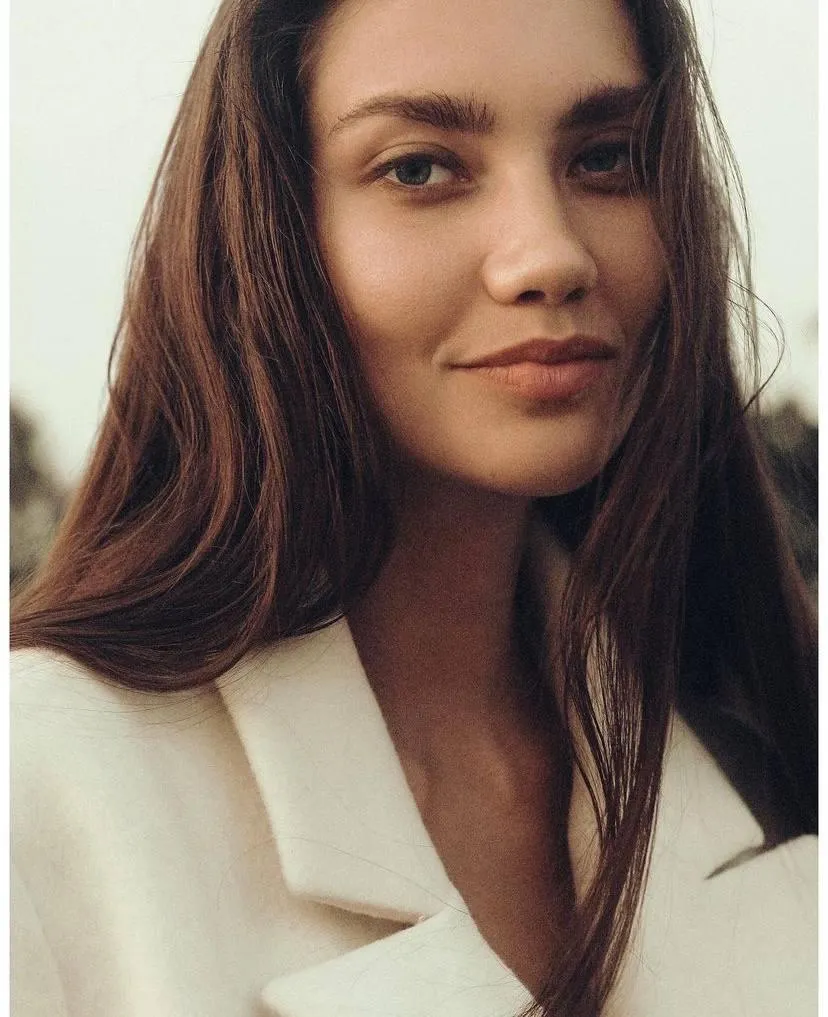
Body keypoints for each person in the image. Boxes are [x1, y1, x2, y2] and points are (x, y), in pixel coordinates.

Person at [10, 0, 817, 1013]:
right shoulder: (43, 791)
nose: (551, 255)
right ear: (267, 231)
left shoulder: (774, 738)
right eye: (421, 169)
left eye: (606, 158)